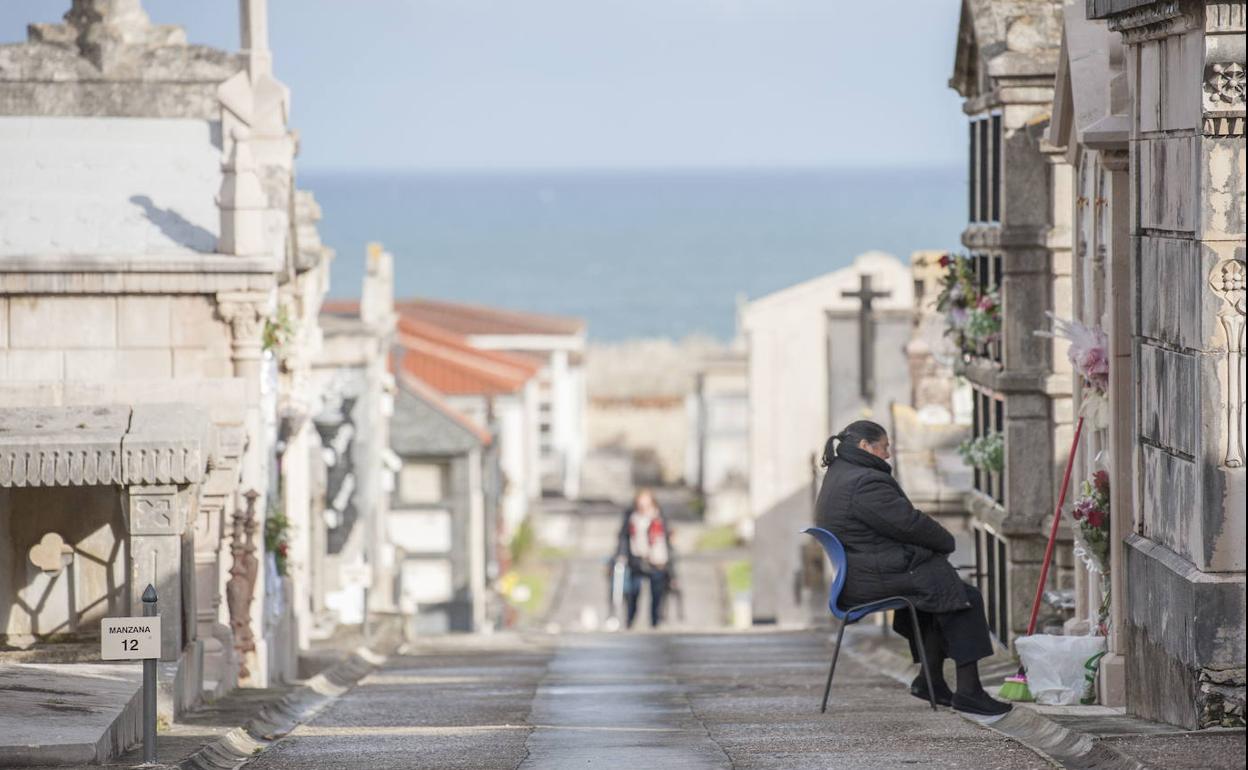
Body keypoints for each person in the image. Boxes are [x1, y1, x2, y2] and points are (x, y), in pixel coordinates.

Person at [815, 419, 1012, 716]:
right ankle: (969, 691)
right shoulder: (864, 482)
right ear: (865, 446)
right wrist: (945, 541)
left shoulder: (841, 472)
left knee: (932, 595)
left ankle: (929, 681)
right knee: (964, 598)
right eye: (885, 447)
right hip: (869, 578)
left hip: (863, 572)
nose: (888, 455)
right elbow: (907, 523)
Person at [615, 488, 674, 629]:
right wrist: (621, 554)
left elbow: (666, 540)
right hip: (637, 559)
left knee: (657, 594)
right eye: (640, 505)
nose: (643, 508)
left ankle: (655, 622)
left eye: (646, 505)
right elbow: (623, 537)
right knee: (633, 592)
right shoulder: (631, 517)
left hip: (657, 561)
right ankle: (630, 621)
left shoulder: (659, 517)